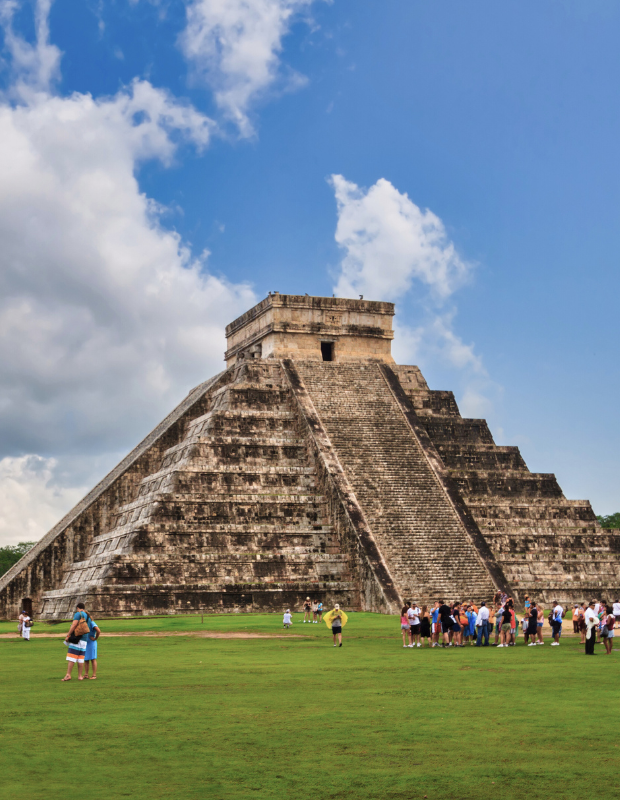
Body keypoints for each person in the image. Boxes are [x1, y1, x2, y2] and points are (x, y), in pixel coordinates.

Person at [62, 602, 94, 681]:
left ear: (77, 608)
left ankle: (68, 675)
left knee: (72, 657)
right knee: (80, 658)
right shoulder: (88, 616)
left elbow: (74, 625)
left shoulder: (78, 614)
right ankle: (80, 676)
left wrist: (68, 635)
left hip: (77, 639)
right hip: (84, 640)